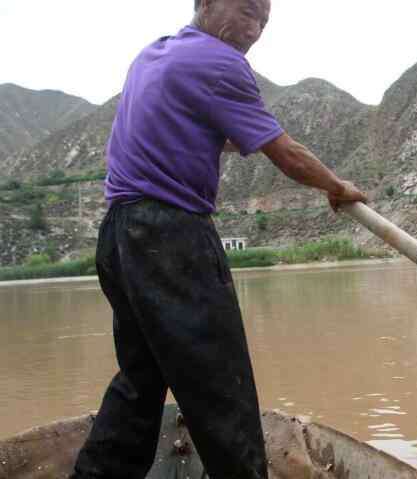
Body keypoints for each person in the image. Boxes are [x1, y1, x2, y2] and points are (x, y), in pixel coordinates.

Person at [70, 0, 367, 478]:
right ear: (204, 2)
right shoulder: (220, 61)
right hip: (172, 238)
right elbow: (288, 156)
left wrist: (239, 133)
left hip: (120, 236)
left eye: (264, 22)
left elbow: (200, 124)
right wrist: (337, 187)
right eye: (247, 12)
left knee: (140, 381)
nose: (254, 31)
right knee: (220, 385)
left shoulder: (153, 56)